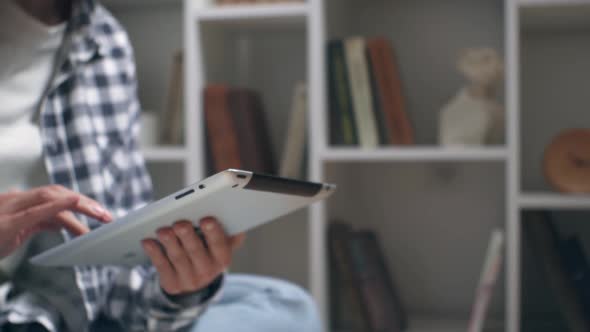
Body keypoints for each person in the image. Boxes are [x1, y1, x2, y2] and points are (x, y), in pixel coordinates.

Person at [0, 0, 321, 331]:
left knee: (286, 305)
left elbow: (120, 280)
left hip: (58, 301)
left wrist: (181, 289)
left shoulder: (102, 38)